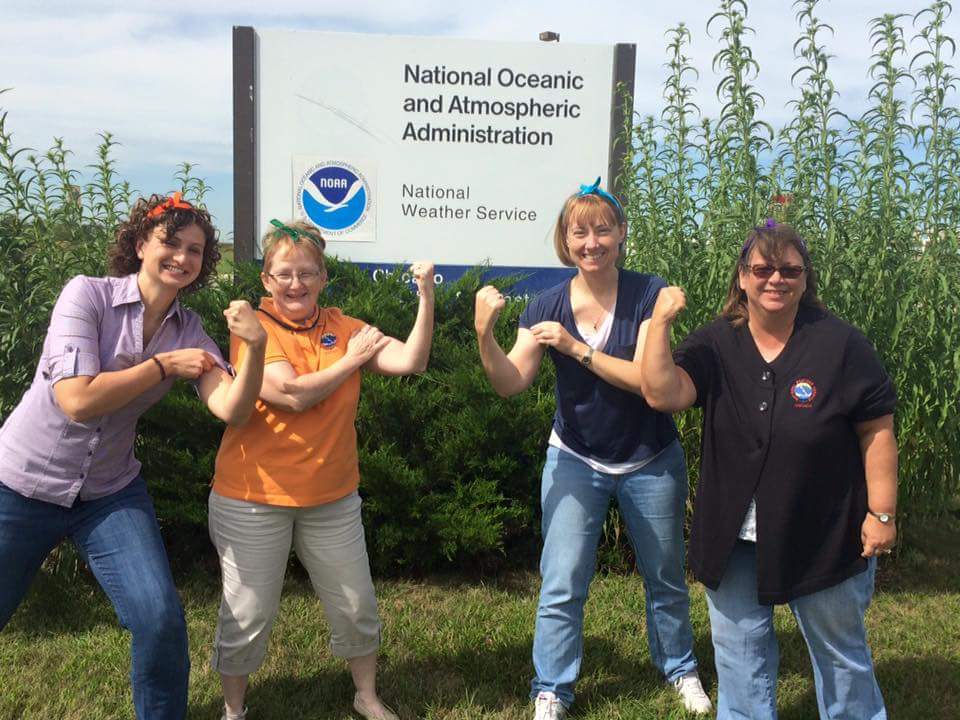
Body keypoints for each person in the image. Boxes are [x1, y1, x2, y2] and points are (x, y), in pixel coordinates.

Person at [0, 192, 267, 720]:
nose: (182, 257)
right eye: (171, 242)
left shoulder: (188, 329)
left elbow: (231, 408)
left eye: (195, 250)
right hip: (21, 484)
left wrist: (255, 348)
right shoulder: (87, 297)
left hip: (108, 492)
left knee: (160, 618)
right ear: (141, 243)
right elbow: (76, 400)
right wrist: (163, 366)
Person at [474, 179, 711, 720]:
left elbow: (653, 384)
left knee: (666, 576)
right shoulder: (545, 303)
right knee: (562, 580)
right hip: (576, 456)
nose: (591, 242)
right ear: (565, 240)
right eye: (578, 232)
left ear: (621, 233)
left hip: (650, 455)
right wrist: (485, 337)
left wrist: (577, 350)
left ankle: (681, 668)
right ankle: (552, 688)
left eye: (603, 229)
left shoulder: (650, 294)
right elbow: (511, 382)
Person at [640, 220, 897, 719]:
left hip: (823, 531)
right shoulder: (716, 342)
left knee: (840, 655)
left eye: (789, 269)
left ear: (806, 278)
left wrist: (881, 512)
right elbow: (662, 393)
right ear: (742, 277)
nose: (775, 279)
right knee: (739, 655)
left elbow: (877, 430)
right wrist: (659, 324)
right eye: (762, 268)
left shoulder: (841, 345)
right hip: (732, 534)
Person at [208, 219, 435, 720]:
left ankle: (367, 696)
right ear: (266, 280)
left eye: (307, 273)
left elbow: (411, 361)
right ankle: (232, 709)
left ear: (323, 277)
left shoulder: (343, 326)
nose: (296, 284)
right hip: (253, 497)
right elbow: (291, 396)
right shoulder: (253, 328)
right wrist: (352, 361)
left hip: (332, 498)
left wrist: (425, 296)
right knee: (248, 613)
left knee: (356, 606)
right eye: (284, 274)